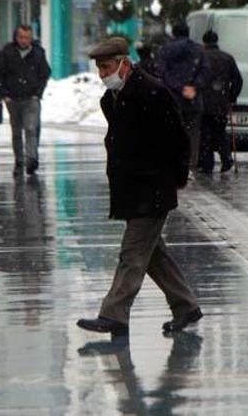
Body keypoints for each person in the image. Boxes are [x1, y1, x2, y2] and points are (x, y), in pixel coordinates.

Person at [77, 36, 202, 338]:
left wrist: (178, 176)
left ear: (125, 64)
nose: (102, 75)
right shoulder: (112, 99)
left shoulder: (152, 92)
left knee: (132, 254)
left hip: (153, 188)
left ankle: (114, 314)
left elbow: (177, 137)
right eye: (99, 69)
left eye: (107, 67)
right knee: (154, 256)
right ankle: (186, 306)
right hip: (132, 190)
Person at [0, 25, 51, 175]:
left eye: (27, 38)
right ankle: (19, 160)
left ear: (31, 38)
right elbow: (0, 73)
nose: (23, 40)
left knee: (31, 128)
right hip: (13, 99)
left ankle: (31, 159)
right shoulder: (8, 52)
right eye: (21, 37)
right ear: (16, 37)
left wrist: (38, 92)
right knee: (16, 131)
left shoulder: (38, 53)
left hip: (31, 98)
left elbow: (45, 73)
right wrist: (4, 94)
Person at [159, 22, 210, 172]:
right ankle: (190, 165)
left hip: (172, 99)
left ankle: (173, 164)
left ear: (173, 33)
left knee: (172, 132)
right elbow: (206, 71)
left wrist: (179, 88)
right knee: (192, 134)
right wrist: (194, 87)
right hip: (193, 99)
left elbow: (162, 73)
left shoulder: (166, 49)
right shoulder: (199, 50)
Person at [198, 30, 243, 174]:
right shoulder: (227, 58)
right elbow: (238, 80)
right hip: (221, 103)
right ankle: (226, 158)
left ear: (204, 42)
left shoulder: (200, 57)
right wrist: (231, 97)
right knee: (220, 132)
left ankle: (207, 164)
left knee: (205, 134)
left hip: (203, 103)